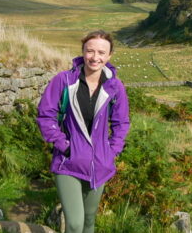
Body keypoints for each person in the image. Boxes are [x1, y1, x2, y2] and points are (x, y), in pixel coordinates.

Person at [36, 30, 130, 233]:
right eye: (90, 51)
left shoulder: (115, 87)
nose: (95, 57)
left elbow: (121, 123)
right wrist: (63, 145)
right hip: (68, 162)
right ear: (82, 52)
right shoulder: (64, 81)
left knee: (88, 223)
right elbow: (46, 115)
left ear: (109, 56)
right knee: (75, 224)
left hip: (100, 165)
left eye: (101, 52)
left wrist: (111, 151)